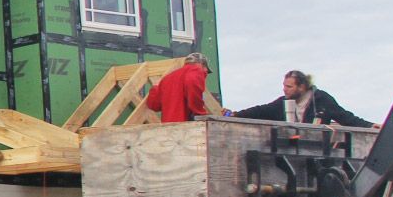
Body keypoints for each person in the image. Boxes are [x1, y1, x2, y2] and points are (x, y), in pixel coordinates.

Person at [233, 70, 374, 127]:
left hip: (317, 151)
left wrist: (369, 126)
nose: (284, 89)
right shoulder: (283, 102)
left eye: (289, 87)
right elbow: (260, 111)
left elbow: (345, 117)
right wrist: (235, 115)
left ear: (301, 87)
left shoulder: (321, 100)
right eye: (284, 86)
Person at [146, 53, 213, 122]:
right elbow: (192, 85)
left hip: (168, 126)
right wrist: (200, 113)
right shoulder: (196, 70)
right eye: (207, 71)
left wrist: (155, 88)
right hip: (185, 124)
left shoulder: (167, 78)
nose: (205, 73)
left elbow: (154, 105)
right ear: (203, 65)